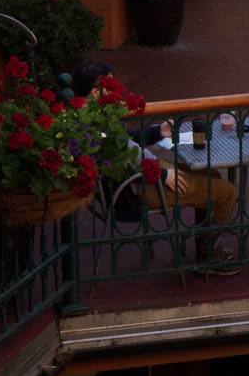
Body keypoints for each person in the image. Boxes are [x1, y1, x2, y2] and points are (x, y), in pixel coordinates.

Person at [71, 61, 239, 274]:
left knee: (212, 174)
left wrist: (158, 132)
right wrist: (162, 173)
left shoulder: (85, 116)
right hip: (137, 187)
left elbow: (124, 142)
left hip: (138, 177)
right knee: (227, 192)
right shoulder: (93, 123)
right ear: (96, 92)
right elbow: (126, 151)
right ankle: (211, 258)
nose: (116, 90)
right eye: (110, 86)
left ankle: (205, 246)